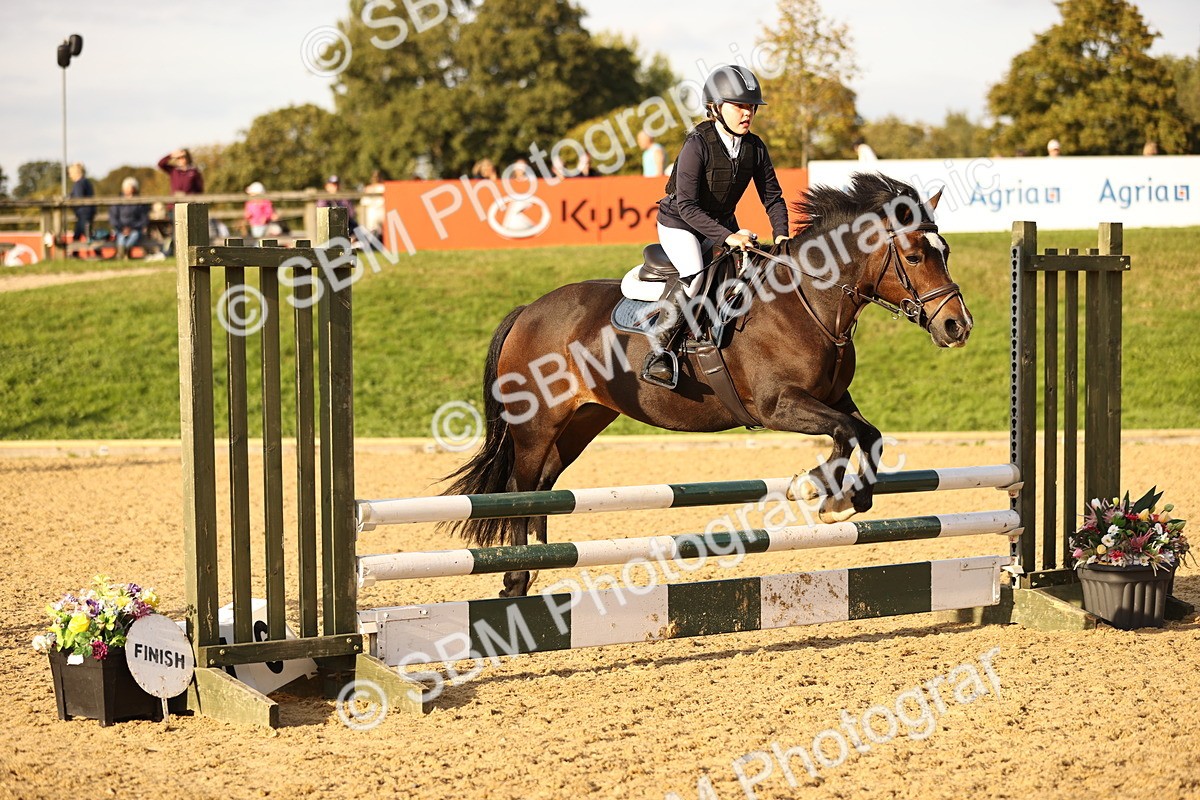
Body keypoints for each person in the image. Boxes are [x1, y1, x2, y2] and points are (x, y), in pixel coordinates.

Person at [643, 64, 789, 387]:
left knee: (751, 273)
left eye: (751, 107)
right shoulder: (697, 144)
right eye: (739, 106)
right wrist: (729, 236)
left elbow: (773, 198)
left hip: (722, 225)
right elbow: (687, 206)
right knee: (695, 275)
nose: (747, 113)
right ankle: (658, 352)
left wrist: (782, 236)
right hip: (679, 223)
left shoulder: (755, 148)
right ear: (715, 108)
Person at [157, 148, 204, 255]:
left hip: (189, 205)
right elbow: (160, 164)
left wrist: (190, 197)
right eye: (179, 158)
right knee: (177, 230)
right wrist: (171, 155)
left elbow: (199, 189)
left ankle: (188, 252)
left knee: (190, 230)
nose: (181, 159)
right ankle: (175, 252)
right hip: (174, 206)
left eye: (183, 157)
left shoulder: (194, 172)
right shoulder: (174, 171)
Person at [108, 177, 149, 259]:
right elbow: (113, 218)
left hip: (135, 229)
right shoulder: (117, 202)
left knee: (134, 235)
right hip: (120, 229)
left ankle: (125, 253)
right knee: (121, 237)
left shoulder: (140, 202)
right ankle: (123, 254)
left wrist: (132, 228)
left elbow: (144, 219)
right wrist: (122, 228)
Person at [67, 162, 95, 245]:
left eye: (71, 173)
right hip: (86, 214)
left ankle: (97, 250)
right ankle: (75, 252)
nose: (70, 176)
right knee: (80, 236)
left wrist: (69, 200)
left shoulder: (79, 183)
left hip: (83, 214)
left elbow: (78, 199)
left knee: (86, 237)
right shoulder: (86, 182)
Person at [360, 170, 387, 247]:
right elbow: (364, 202)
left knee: (383, 231)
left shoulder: (383, 187)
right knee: (371, 230)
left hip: (381, 210)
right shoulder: (368, 188)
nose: (375, 178)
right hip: (371, 212)